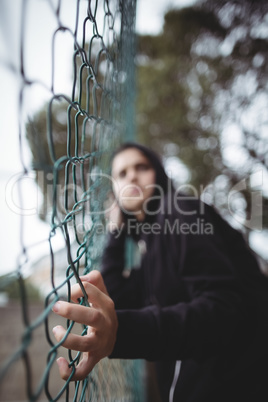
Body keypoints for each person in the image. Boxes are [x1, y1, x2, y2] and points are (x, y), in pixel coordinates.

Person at [52, 142, 268, 401]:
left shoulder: (180, 213)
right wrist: (116, 231)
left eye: (141, 167)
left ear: (159, 174)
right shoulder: (150, 242)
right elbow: (116, 300)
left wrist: (123, 332)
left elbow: (224, 310)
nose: (132, 175)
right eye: (121, 174)